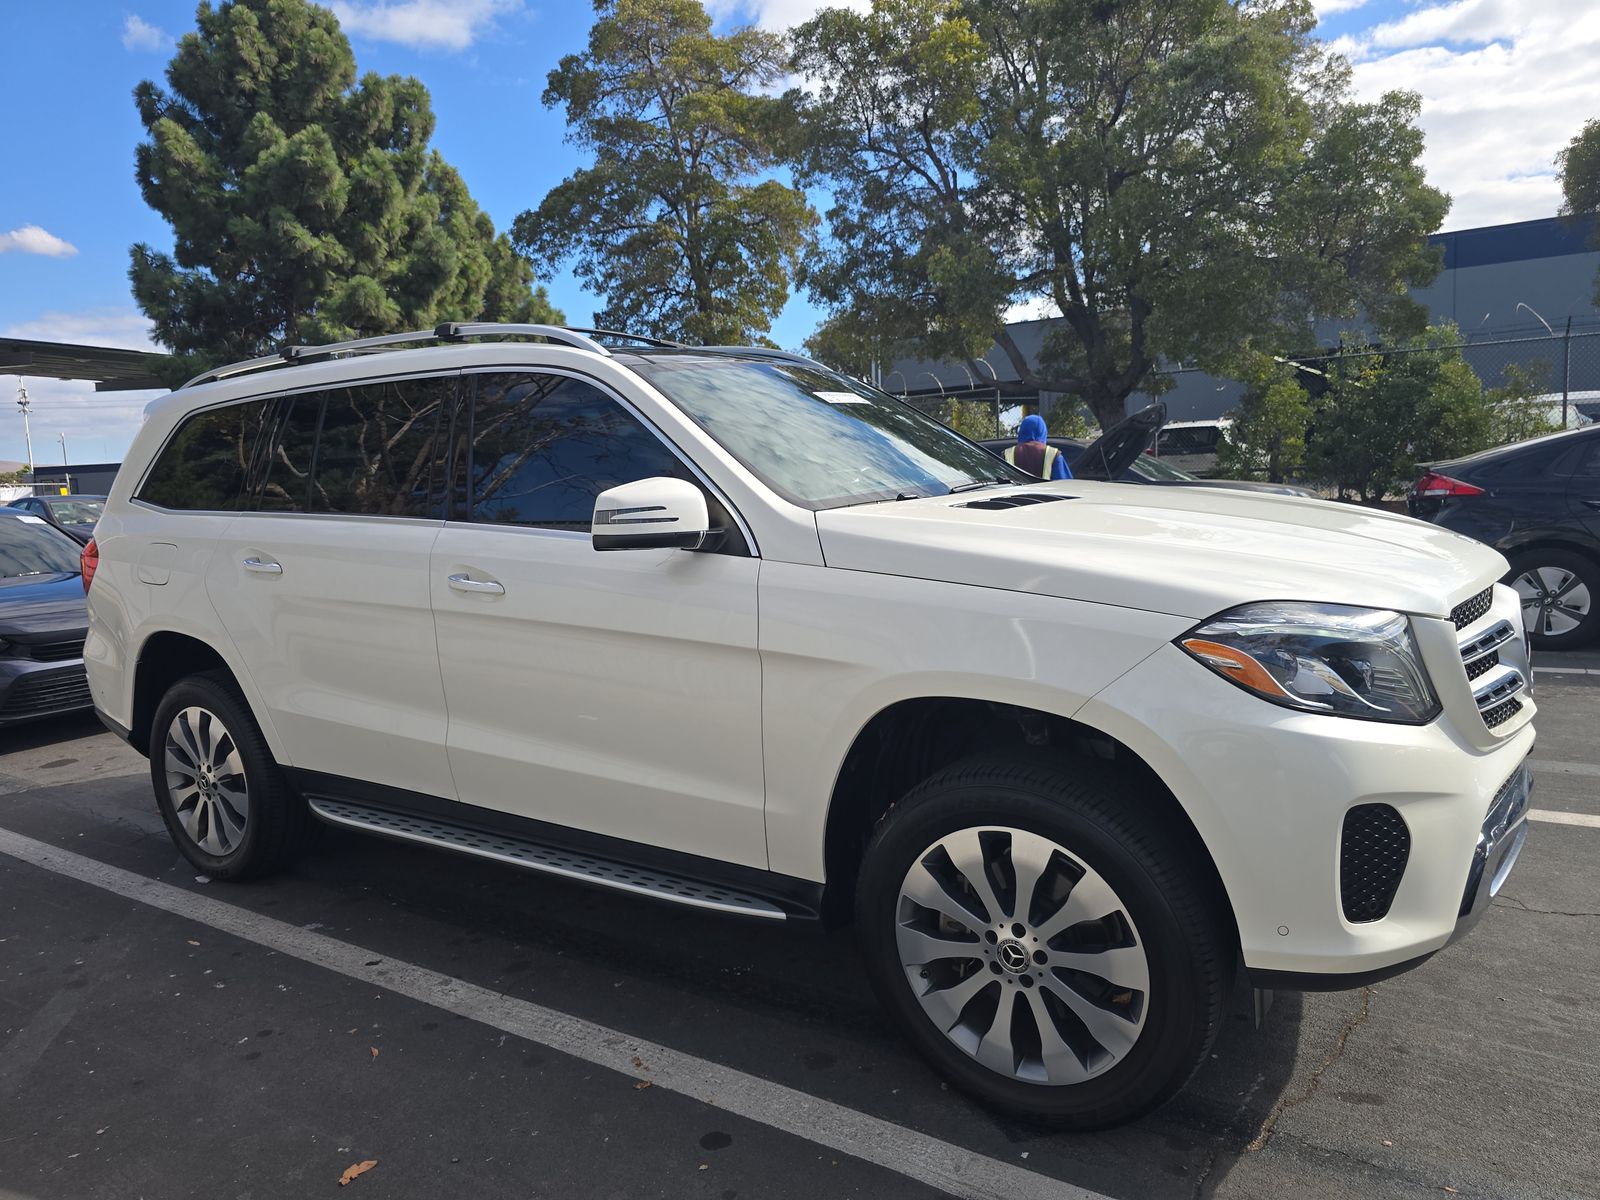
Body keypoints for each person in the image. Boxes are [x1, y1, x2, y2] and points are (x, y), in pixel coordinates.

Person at [1004, 413, 1072, 480]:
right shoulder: (1053, 455)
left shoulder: (1007, 454)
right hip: (1044, 491)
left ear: (1022, 431)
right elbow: (1065, 485)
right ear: (1043, 432)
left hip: (1015, 491)